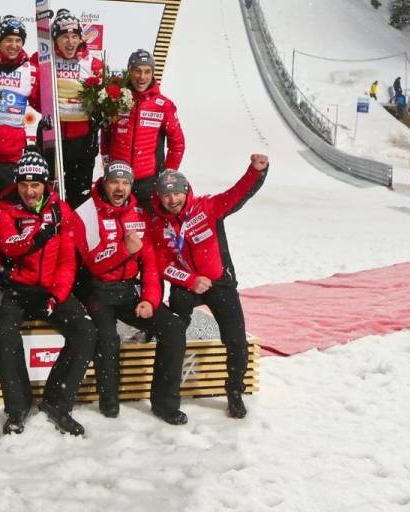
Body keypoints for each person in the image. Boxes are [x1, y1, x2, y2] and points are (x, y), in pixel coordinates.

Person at [149, 157, 268, 420]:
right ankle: (170, 384)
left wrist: (256, 171)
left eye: (177, 192)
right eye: (166, 195)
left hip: (220, 283)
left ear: (186, 190)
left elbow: (237, 193)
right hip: (188, 286)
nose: (172, 199)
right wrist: (190, 280)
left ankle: (234, 391)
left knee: (236, 341)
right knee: (174, 324)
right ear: (159, 198)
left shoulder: (207, 207)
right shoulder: (159, 224)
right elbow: (162, 265)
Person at [0, 151, 95, 436]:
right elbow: (9, 245)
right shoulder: (3, 208)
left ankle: (57, 402)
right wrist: (36, 237)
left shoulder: (61, 210)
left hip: (49, 289)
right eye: (24, 184)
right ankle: (18, 407)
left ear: (46, 184)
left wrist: (56, 296)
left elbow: (67, 261)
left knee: (85, 331)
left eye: (35, 184)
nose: (29, 191)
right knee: (3, 333)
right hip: (15, 287)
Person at [75, 160, 187, 424]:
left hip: (126, 290)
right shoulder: (89, 213)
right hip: (95, 288)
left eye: (126, 183)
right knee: (107, 338)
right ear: (105, 182)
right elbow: (93, 263)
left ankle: (165, 404)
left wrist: (149, 299)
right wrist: (123, 250)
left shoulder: (139, 215)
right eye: (115, 181)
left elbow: (150, 264)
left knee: (172, 327)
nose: (120, 188)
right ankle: (109, 401)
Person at [101, 49, 185, 207]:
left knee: (145, 227)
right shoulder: (116, 99)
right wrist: (107, 164)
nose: (142, 77)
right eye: (137, 71)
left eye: (147, 71)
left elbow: (177, 144)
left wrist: (167, 173)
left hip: (148, 181)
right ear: (130, 71)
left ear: (153, 73)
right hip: (120, 180)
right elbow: (106, 134)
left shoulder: (163, 105)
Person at [49, 9, 104, 209]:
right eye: (64, 36)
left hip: (82, 139)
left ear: (81, 37)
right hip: (52, 137)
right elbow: (37, 96)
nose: (70, 42)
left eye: (74, 36)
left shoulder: (94, 64)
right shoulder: (45, 58)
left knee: (79, 197)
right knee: (49, 193)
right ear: (55, 39)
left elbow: (102, 102)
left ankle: (76, 237)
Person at [0, 15, 41, 189]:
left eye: (18, 40)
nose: (14, 45)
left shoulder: (30, 70)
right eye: (8, 40)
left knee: (7, 207)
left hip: (12, 155)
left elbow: (41, 104)